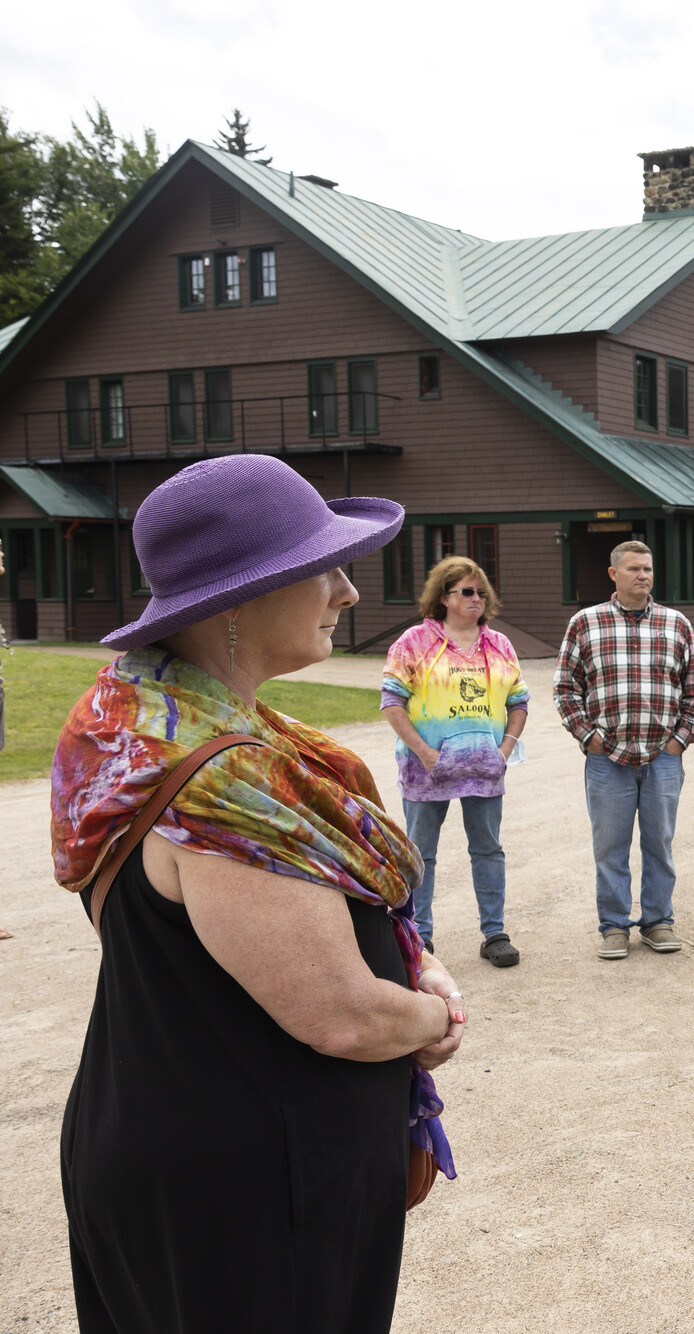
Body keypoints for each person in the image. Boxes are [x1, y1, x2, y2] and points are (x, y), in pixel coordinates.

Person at [51, 454, 463, 1333]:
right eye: (325, 569)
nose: (348, 591)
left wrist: (413, 967)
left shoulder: (129, 730)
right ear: (239, 598)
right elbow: (340, 1016)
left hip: (183, 1139)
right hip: (249, 1186)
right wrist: (435, 1024)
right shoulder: (227, 787)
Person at [554, 540, 694, 961]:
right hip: (608, 759)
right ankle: (614, 926)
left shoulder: (676, 624)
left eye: (648, 569)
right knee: (610, 846)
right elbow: (566, 689)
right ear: (614, 574)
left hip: (662, 756)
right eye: (635, 569)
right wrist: (589, 738)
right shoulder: (586, 623)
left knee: (660, 842)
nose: (644, 576)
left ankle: (658, 921)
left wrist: (679, 742)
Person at [380, 556, 528, 966]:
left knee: (488, 850)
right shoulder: (413, 642)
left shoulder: (499, 645)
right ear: (444, 597)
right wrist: (426, 754)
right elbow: (391, 701)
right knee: (420, 854)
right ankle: (418, 938)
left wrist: (505, 749)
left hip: (485, 771)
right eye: (467, 591)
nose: (476, 598)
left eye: (481, 592)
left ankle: (494, 934)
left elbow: (519, 700)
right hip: (425, 772)